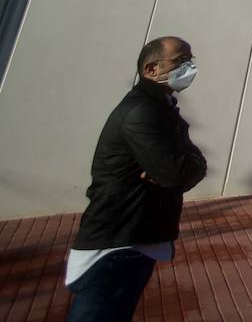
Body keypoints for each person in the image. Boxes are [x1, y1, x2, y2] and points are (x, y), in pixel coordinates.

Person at [66, 36, 206, 322]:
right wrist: (184, 167)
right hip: (117, 242)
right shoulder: (142, 112)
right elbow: (174, 173)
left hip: (137, 236)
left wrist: (190, 164)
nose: (189, 67)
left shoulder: (162, 108)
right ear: (151, 69)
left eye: (191, 61)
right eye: (181, 61)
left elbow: (191, 163)